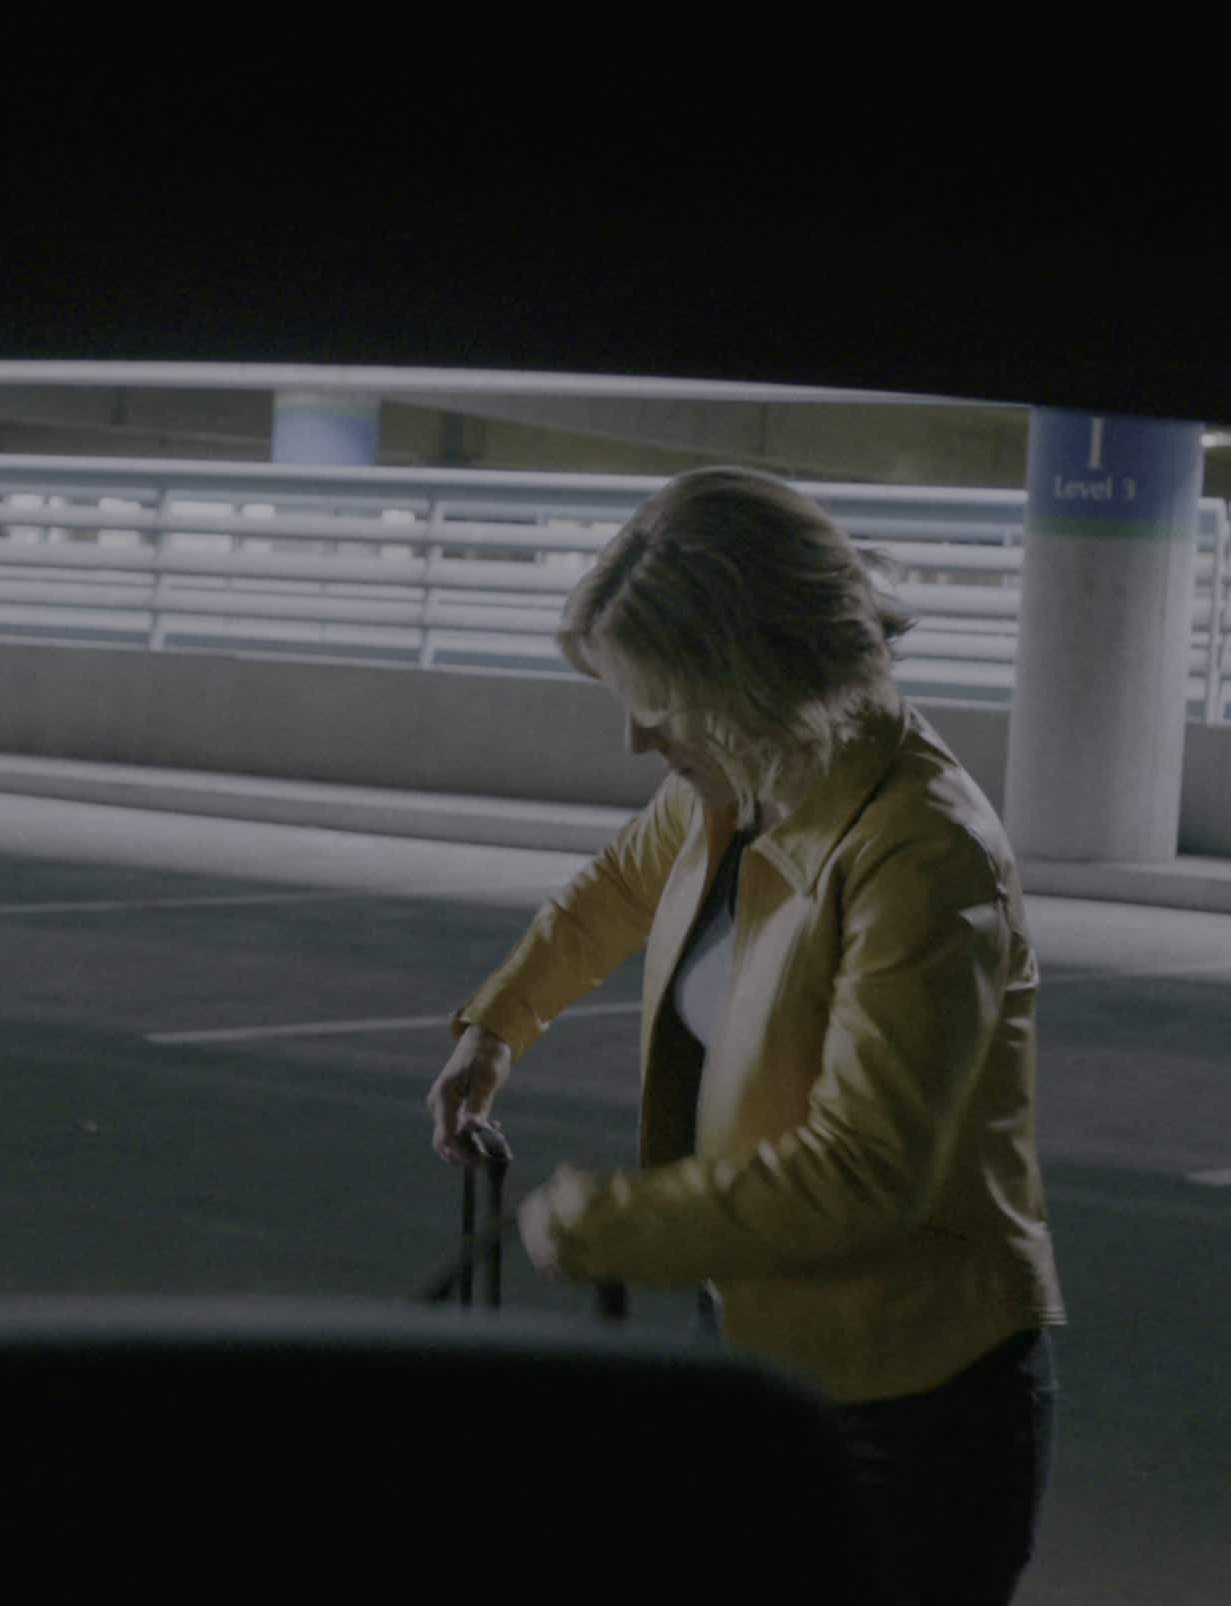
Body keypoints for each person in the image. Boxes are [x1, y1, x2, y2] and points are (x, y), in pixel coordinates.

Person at [424, 466, 1062, 1606]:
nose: (637, 737)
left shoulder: (924, 854)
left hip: (913, 1409)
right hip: (763, 1349)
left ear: (753, 675)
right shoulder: (739, 783)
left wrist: (612, 1225)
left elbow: (866, 1169)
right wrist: (497, 1025)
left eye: (660, 703)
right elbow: (615, 891)